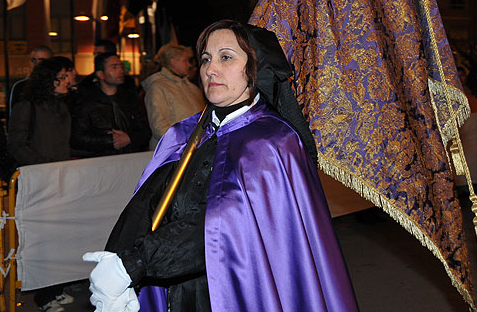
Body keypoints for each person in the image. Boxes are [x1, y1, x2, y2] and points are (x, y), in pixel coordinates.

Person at [83, 20, 359, 312]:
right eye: (205, 59)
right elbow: (146, 202)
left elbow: (221, 225)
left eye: (226, 57)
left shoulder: (270, 141)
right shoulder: (185, 134)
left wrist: (134, 263)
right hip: (174, 286)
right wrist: (115, 257)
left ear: (254, 67)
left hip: (236, 289)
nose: (209, 69)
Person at [71, 53, 149, 157]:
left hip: (130, 158)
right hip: (101, 161)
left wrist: (129, 138)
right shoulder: (87, 102)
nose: (121, 71)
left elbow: (145, 130)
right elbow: (77, 138)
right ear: (100, 74)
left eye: (121, 66)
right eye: (114, 67)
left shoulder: (129, 99)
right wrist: (110, 141)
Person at [7, 58, 72, 166]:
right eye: (62, 77)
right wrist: (42, 165)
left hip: (61, 171)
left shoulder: (62, 107)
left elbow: (65, 144)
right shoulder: (26, 107)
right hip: (38, 173)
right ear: (48, 80)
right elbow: (16, 145)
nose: (67, 81)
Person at [141, 44, 205, 149]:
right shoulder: (158, 87)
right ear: (173, 61)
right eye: (185, 60)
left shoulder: (192, 87)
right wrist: (182, 145)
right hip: (172, 152)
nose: (189, 65)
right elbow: (159, 127)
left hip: (194, 150)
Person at [8, 45, 54, 118]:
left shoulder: (58, 85)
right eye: (33, 60)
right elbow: (12, 115)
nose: (36, 64)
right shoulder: (19, 87)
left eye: (41, 60)